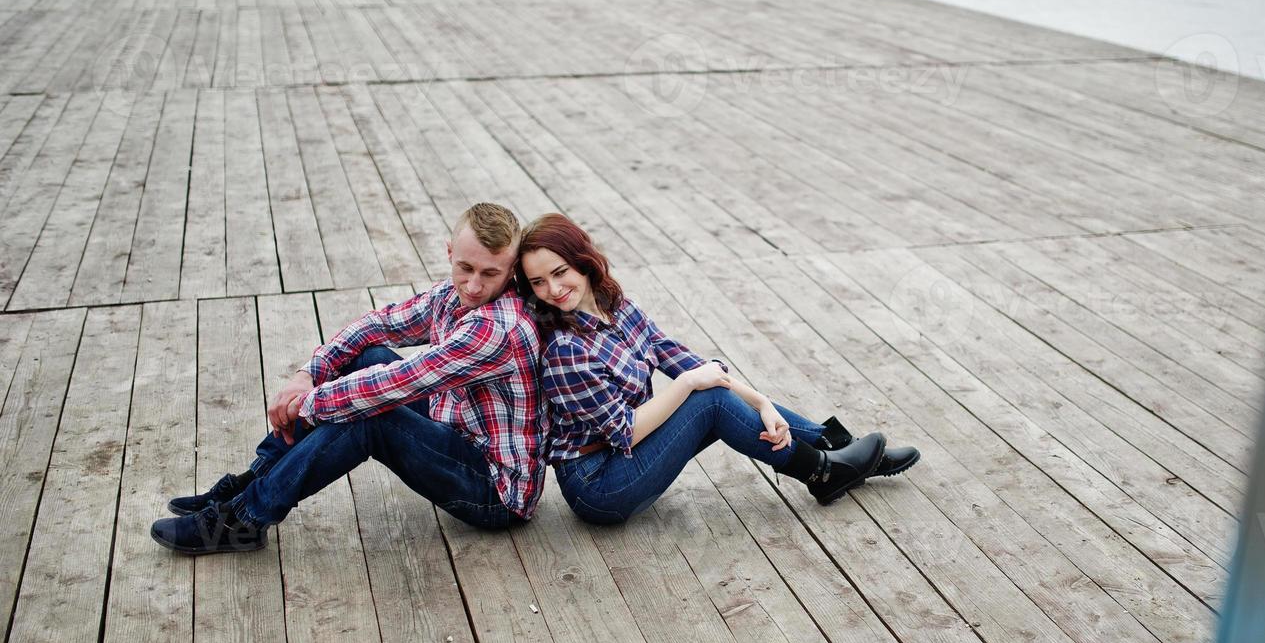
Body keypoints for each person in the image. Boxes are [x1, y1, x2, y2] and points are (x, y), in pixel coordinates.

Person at [151, 203, 546, 554]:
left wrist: (304, 403)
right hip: (457, 428)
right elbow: (377, 326)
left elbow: (399, 383)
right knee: (365, 355)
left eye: (490, 274)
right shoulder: (452, 295)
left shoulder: (497, 329)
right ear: (450, 253)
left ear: (511, 272)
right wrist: (308, 375)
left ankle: (244, 519)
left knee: (373, 414)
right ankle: (254, 479)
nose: (475, 285)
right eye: (466, 268)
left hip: (494, 491)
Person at [516, 213, 919, 526]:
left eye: (559, 272)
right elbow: (625, 429)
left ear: (583, 262)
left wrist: (762, 403)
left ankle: (837, 450)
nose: (552, 290)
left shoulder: (615, 306)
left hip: (630, 457)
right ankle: (823, 472)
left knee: (713, 392)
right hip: (599, 486)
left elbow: (686, 361)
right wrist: (690, 383)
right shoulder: (565, 350)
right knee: (707, 400)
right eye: (538, 282)